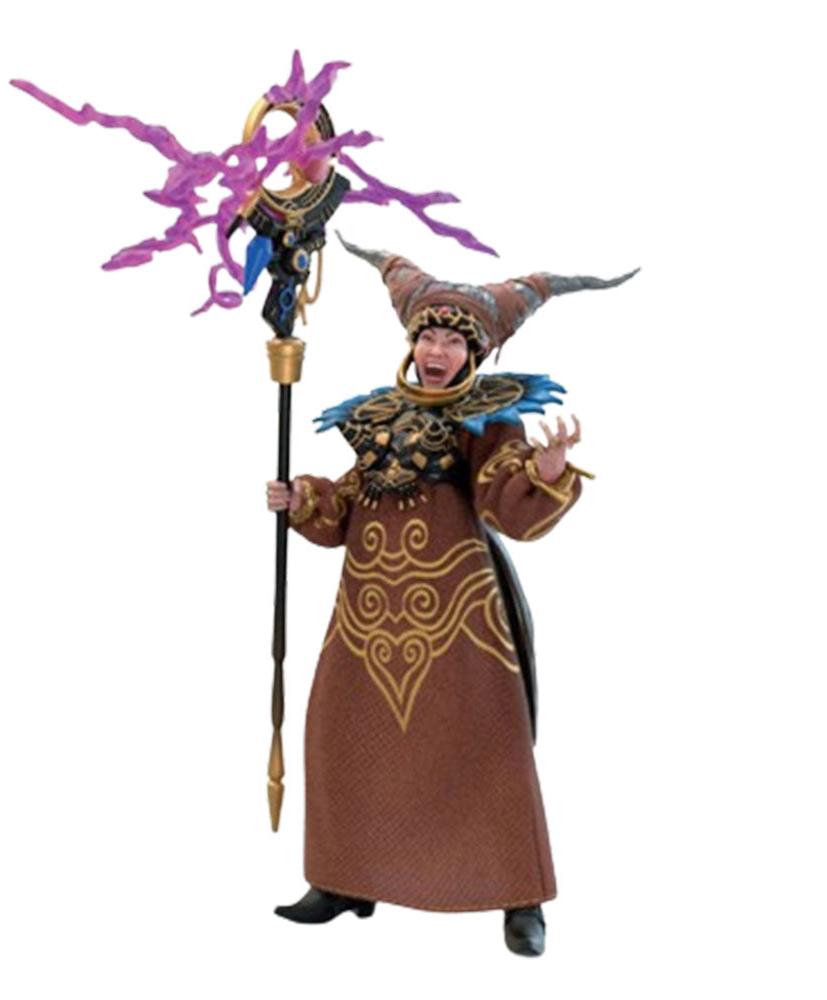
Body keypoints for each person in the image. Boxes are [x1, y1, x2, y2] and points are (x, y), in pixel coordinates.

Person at [266, 234, 636, 955]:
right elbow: (346, 506)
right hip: (366, 620)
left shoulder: (491, 416)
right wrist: (302, 496)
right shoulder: (377, 416)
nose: (437, 349)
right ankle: (344, 879)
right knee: (343, 738)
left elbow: (504, 504)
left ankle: (519, 897)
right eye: (428, 336)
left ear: (475, 353)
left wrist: (544, 470)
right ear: (412, 342)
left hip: (459, 622)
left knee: (487, 750)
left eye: (453, 340)